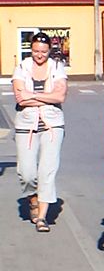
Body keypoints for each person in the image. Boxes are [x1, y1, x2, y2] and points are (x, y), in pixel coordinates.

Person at [12, 32, 68, 233]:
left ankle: (42, 217)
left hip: (52, 125)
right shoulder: (22, 67)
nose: (39, 55)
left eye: (43, 52)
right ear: (31, 49)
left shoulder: (56, 68)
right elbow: (20, 99)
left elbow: (60, 95)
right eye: (36, 51)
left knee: (47, 170)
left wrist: (32, 95)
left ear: (49, 51)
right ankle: (32, 197)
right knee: (26, 172)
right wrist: (47, 96)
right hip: (26, 125)